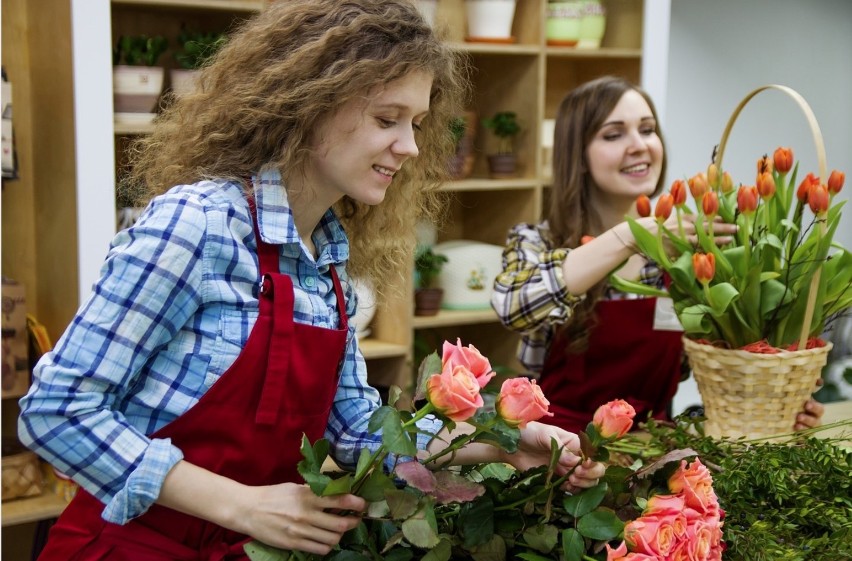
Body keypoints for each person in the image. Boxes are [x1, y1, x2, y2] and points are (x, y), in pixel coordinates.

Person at [17, 2, 604, 559]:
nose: (411, 146)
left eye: (418, 122)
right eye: (387, 119)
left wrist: (501, 442)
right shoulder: (196, 224)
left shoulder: (327, 267)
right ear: (310, 102)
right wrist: (242, 505)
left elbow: (356, 435)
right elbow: (56, 411)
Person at [491, 75, 825, 434]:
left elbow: (722, 365)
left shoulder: (690, 252)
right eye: (613, 134)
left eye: (647, 130)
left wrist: (776, 399)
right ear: (579, 155)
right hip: (556, 453)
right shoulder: (537, 241)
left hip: (652, 456)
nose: (639, 146)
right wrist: (632, 237)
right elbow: (514, 305)